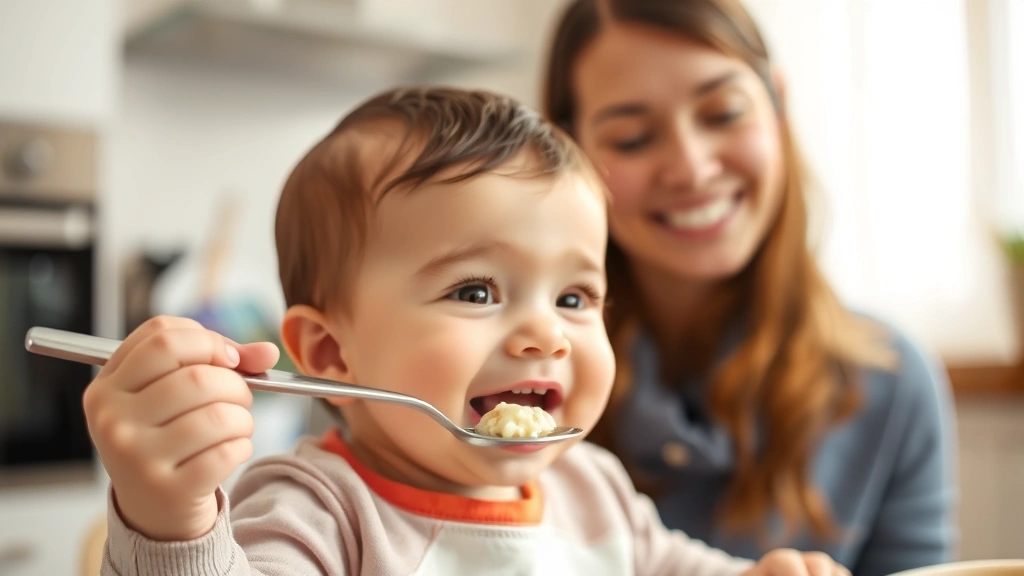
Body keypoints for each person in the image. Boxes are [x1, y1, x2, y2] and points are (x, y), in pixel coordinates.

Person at [83, 86, 849, 575]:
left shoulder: (593, 493)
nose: (545, 334)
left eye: (577, 297)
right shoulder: (320, 512)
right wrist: (171, 518)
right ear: (329, 353)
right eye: (477, 290)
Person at [540, 1, 958, 575]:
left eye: (724, 113)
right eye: (634, 138)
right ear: (568, 153)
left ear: (778, 103)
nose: (690, 167)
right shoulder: (523, 378)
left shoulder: (894, 383)